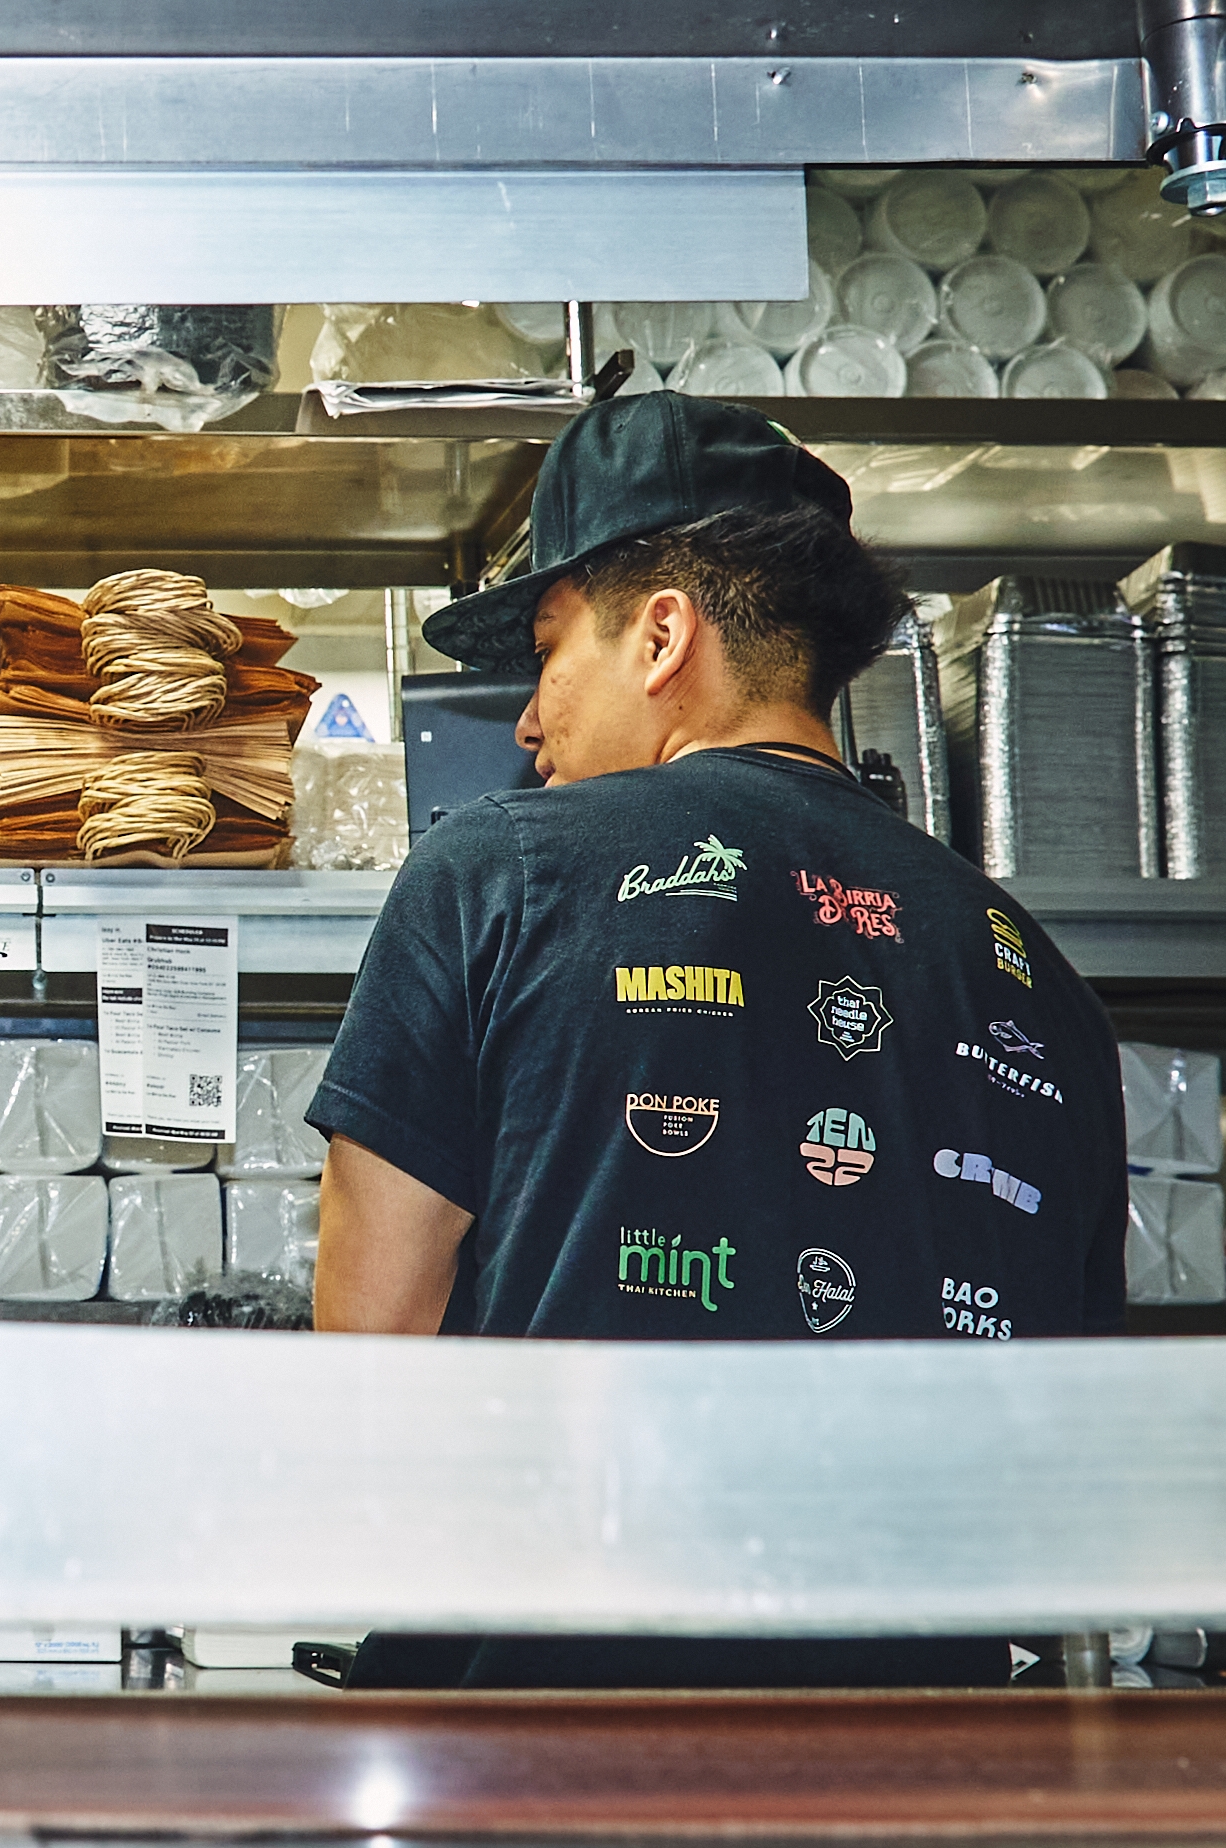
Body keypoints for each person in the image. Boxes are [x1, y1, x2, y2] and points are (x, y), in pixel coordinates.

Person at [307, 392, 1127, 1690]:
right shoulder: (1036, 979)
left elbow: (370, 1368)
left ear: (661, 636)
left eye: (547, 652)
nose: (527, 721)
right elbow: (1066, 1462)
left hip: (534, 1738)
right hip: (925, 1750)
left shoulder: (494, 874)